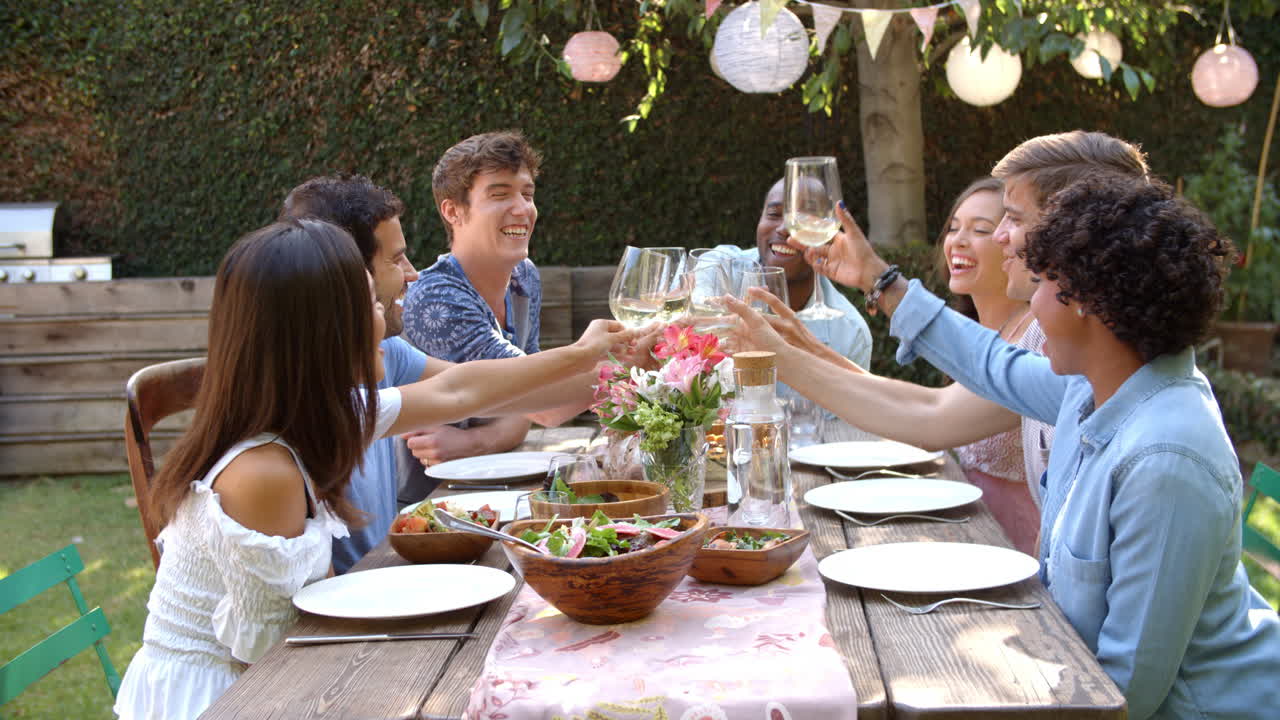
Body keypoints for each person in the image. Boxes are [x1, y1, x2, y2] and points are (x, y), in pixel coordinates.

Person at [735, 175, 1280, 718]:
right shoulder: (1091, 386)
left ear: (1089, 300)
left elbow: (1122, 697)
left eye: (1041, 281)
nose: (1033, 310)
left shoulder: (1164, 461)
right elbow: (989, 363)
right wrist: (867, 290)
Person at [113, 219, 631, 720]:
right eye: (370, 304)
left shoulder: (317, 414)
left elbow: (457, 391)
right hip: (219, 697)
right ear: (325, 331)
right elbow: (269, 667)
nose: (384, 317)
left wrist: (585, 356)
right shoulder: (261, 472)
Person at [744, 132, 1150, 513]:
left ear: (1077, 229)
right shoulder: (1070, 352)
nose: (1001, 236)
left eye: (1009, 219)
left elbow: (931, 417)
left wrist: (784, 354)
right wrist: (807, 344)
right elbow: (931, 407)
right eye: (956, 227)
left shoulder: (1066, 349)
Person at [402, 130, 583, 472]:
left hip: (495, 480)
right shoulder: (436, 299)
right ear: (453, 211)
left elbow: (524, 406)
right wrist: (639, 362)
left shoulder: (522, 277)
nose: (522, 208)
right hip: (424, 506)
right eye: (500, 194)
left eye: (527, 194)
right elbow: (546, 404)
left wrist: (474, 442)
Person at [702, 178, 873, 437]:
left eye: (803, 220)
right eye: (774, 214)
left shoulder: (849, 333)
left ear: (828, 233)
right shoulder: (723, 276)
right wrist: (698, 291)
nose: (784, 228)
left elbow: (842, 436)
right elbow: (711, 261)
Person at [930, 177, 1039, 552]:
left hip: (1020, 551)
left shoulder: (1036, 337)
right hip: (967, 537)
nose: (957, 240)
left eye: (979, 230)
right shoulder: (971, 332)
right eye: (953, 228)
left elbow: (930, 418)